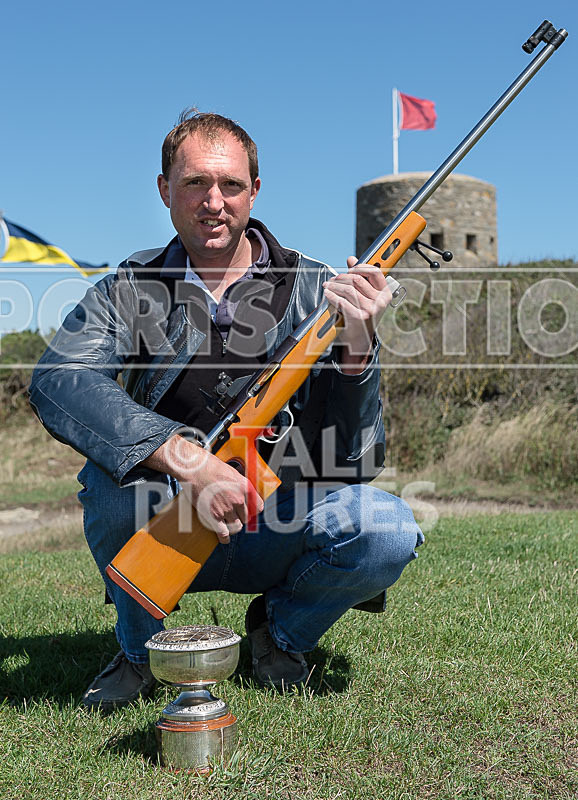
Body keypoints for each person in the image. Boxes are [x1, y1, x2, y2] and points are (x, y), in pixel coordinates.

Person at [29, 111, 424, 710]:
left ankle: (280, 637)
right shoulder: (127, 289)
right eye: (194, 184)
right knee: (108, 483)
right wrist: (190, 461)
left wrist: (357, 348)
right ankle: (142, 656)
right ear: (164, 189)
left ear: (254, 192)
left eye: (231, 185)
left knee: (389, 528)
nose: (214, 202)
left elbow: (356, 458)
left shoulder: (321, 289)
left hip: (280, 519)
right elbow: (59, 380)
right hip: (165, 509)